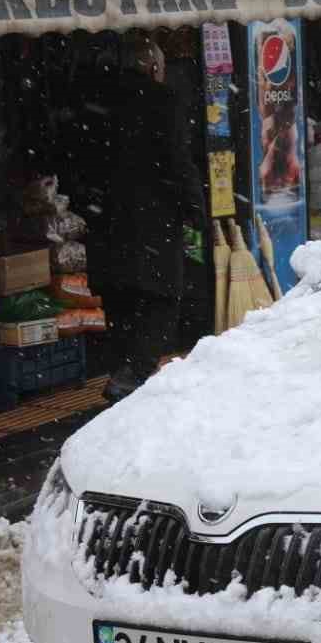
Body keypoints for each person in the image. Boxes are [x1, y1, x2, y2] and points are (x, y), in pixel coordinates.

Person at [102, 31, 205, 401]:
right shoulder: (162, 101)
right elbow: (179, 160)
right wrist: (195, 206)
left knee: (124, 291)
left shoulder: (104, 101)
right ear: (154, 67)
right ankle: (136, 371)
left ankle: (121, 364)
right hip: (155, 213)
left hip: (111, 215)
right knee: (163, 293)